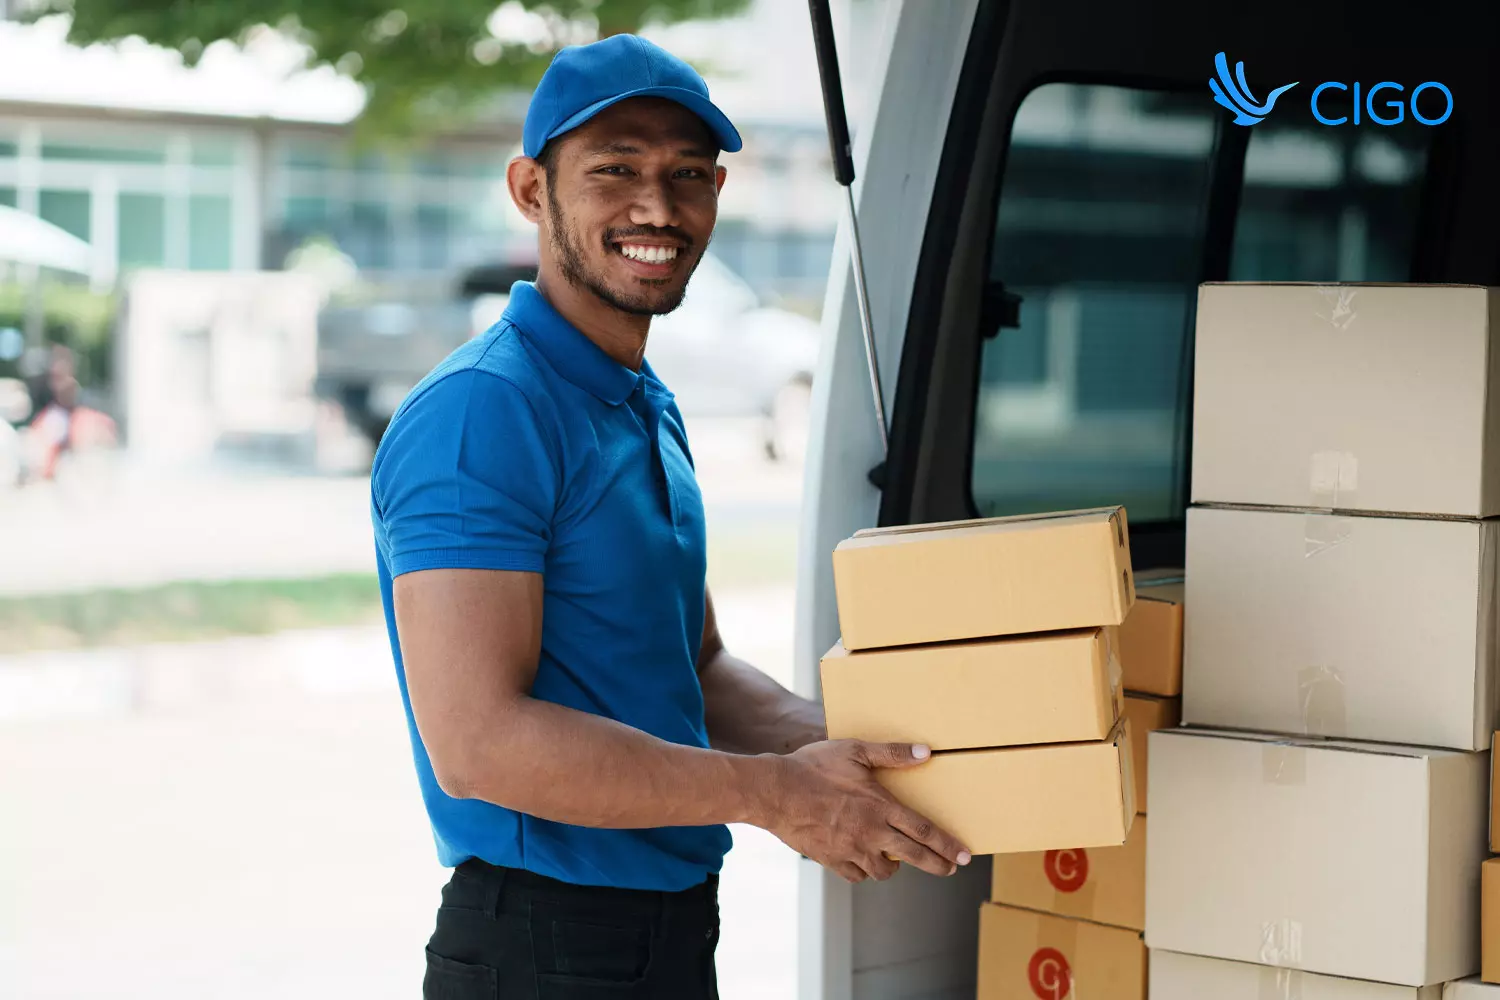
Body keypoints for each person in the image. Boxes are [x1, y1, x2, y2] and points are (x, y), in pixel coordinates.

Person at [370, 35, 970, 999]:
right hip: (543, 947)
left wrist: (857, 752)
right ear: (531, 190)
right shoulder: (486, 412)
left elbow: (696, 668)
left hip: (667, 934)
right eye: (615, 171)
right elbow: (479, 742)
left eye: (687, 173)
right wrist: (780, 797)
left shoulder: (641, 400)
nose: (657, 207)